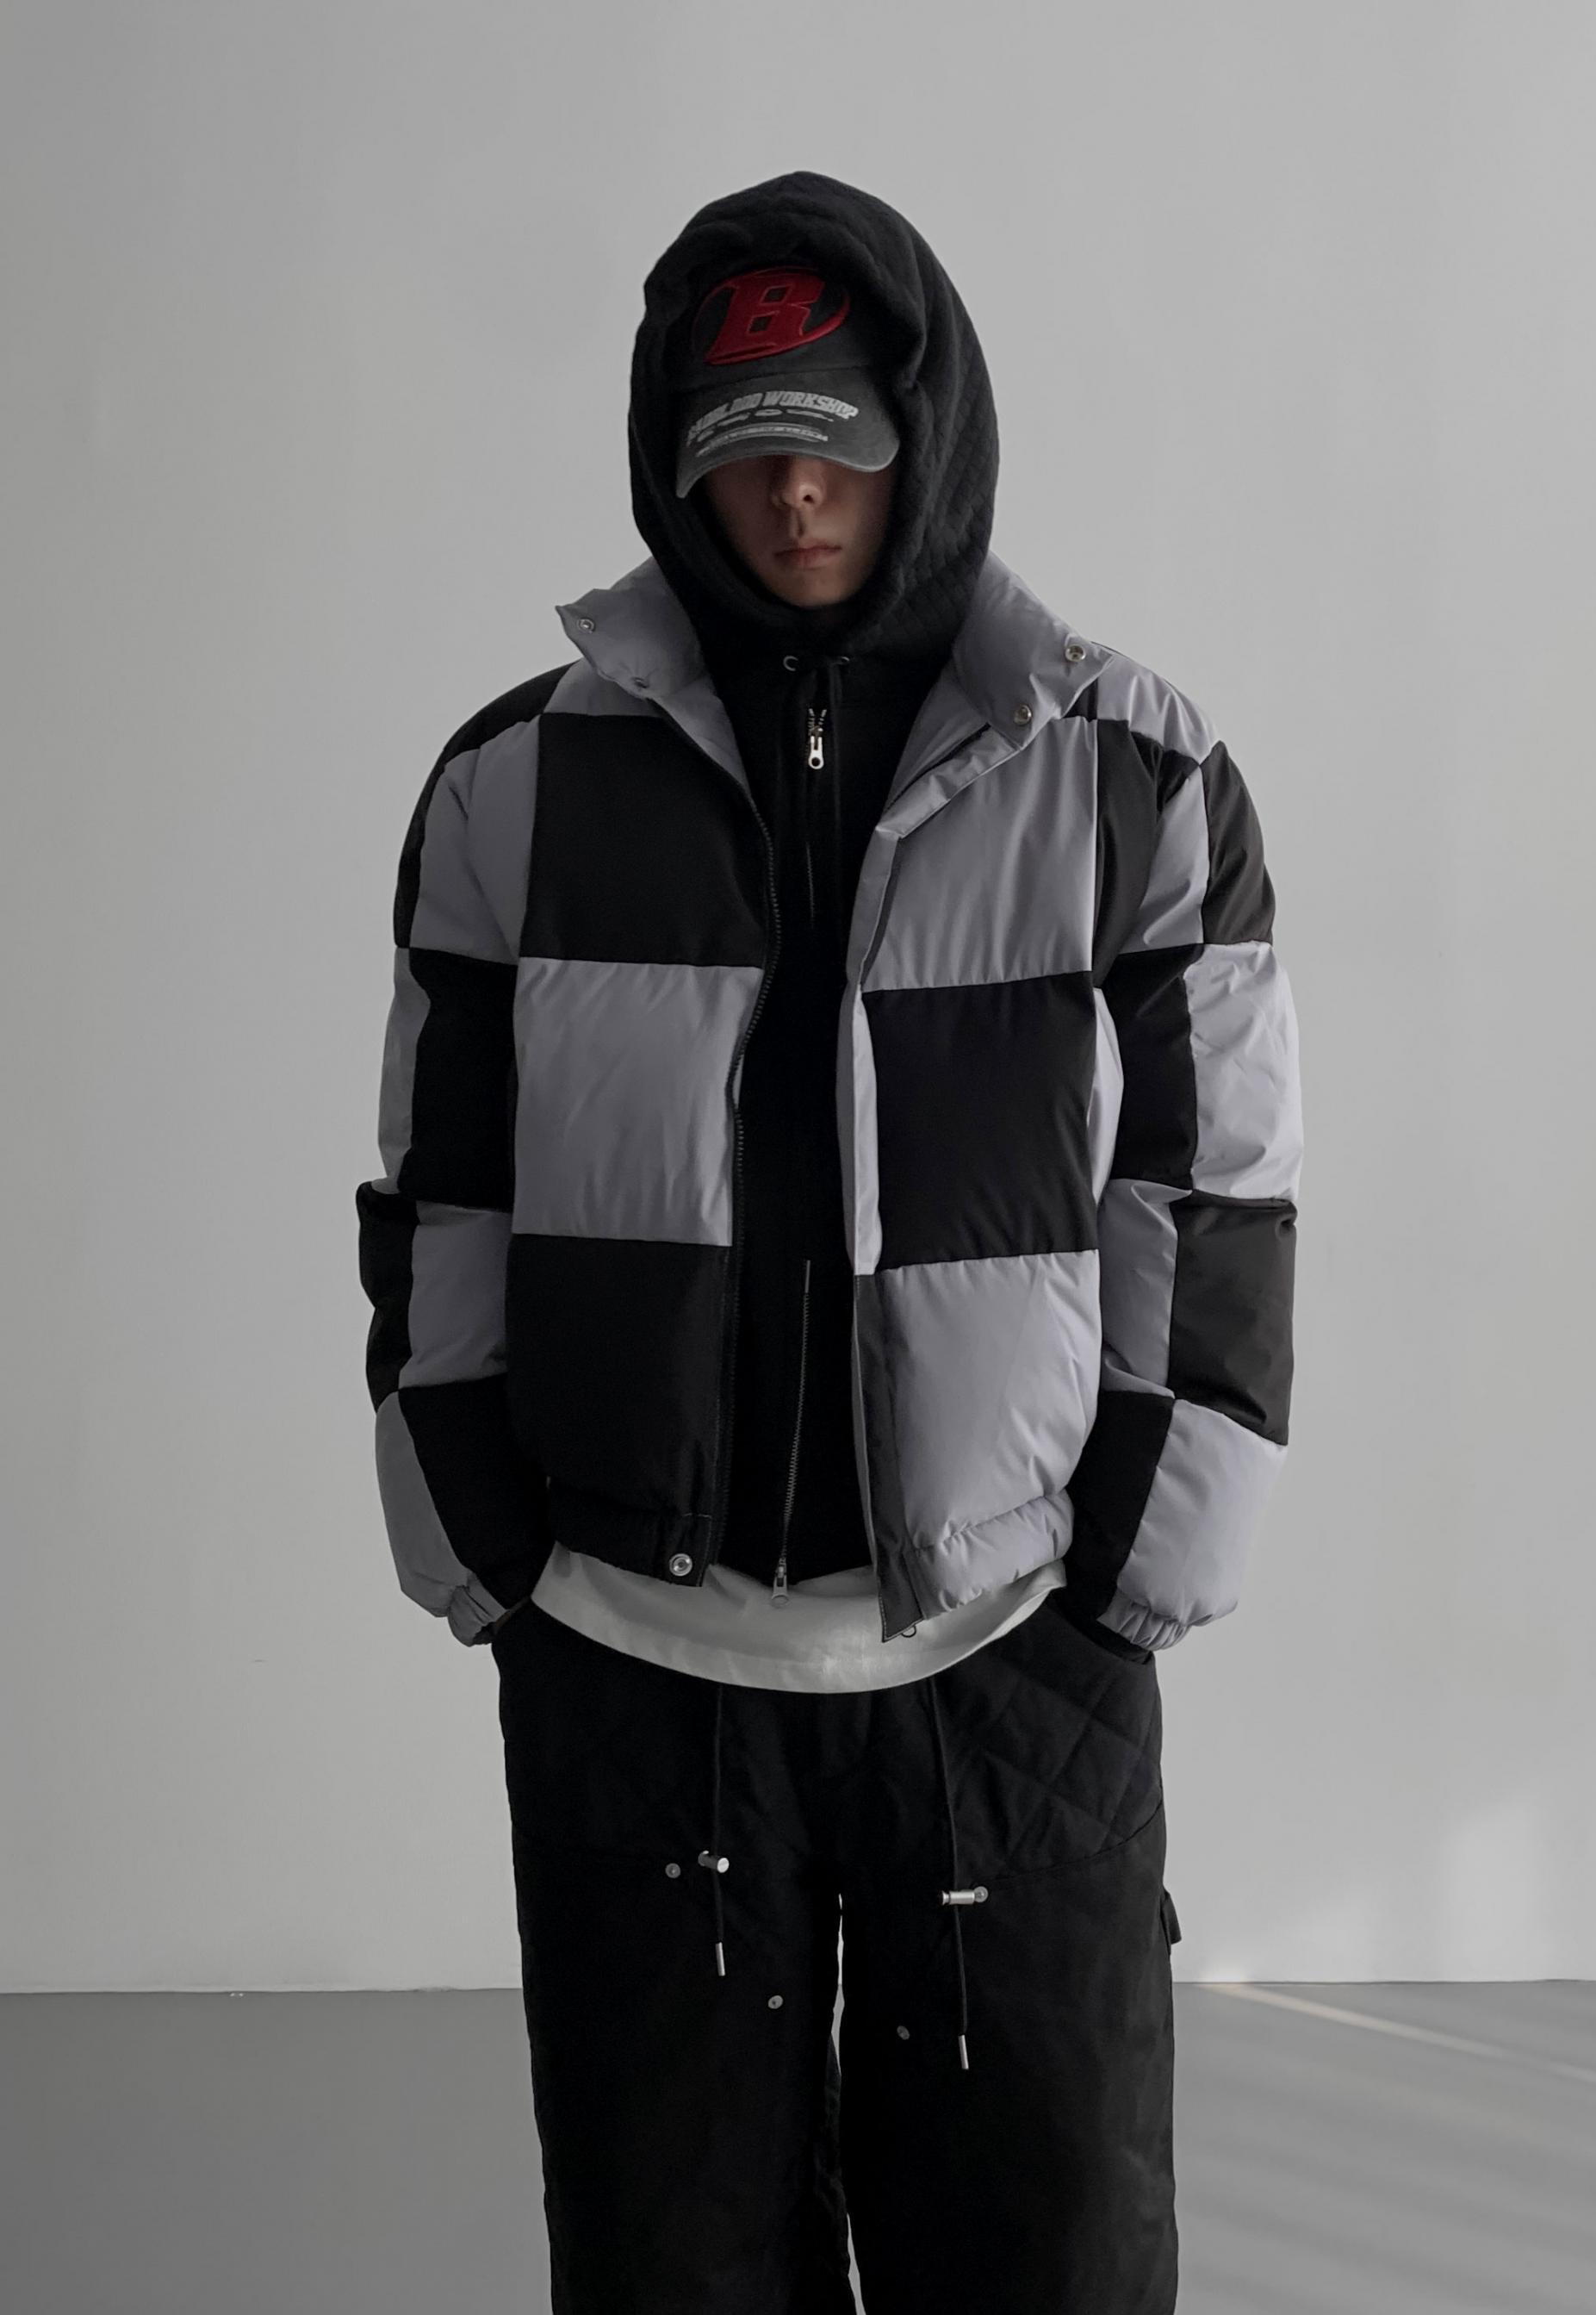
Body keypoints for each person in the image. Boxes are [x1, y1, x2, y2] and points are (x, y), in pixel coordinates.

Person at [355, 168, 1301, 2314]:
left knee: (1045, 2255)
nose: (793, 495)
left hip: (1012, 1651)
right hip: (633, 1650)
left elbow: (1214, 1186)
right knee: (672, 2259)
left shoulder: (1133, 775)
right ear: (674, 459)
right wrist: (479, 1539)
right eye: (743, 448)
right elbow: (443, 1181)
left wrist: (1140, 1571)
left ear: (923, 435)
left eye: (840, 444)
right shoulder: (517, 786)